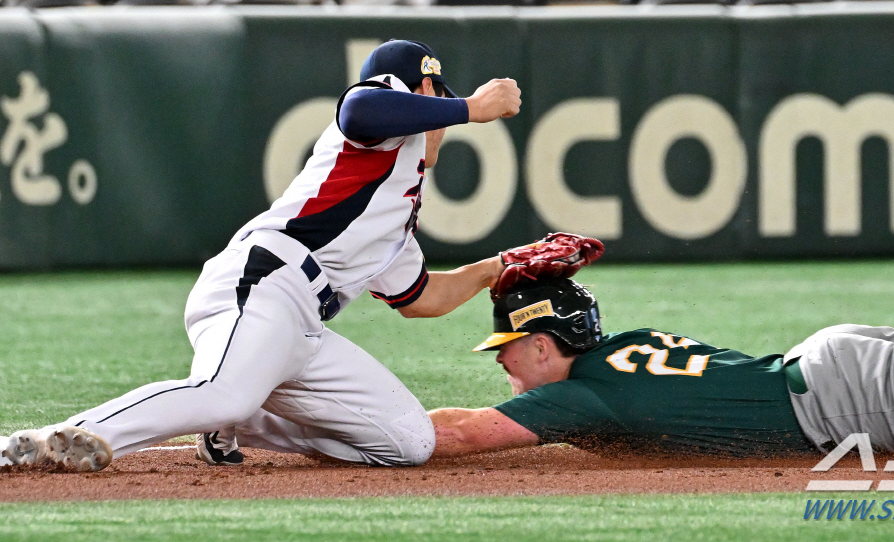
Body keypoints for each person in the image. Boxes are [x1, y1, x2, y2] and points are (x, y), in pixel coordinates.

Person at [428, 127, 894, 458]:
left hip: (834, 398)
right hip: (825, 367)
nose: (505, 367)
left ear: (541, 342)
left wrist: (322, 418)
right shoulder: (626, 350)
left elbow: (459, 433)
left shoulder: (572, 396)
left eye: (508, 350)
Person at [1, 40, 523, 472]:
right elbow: (359, 108)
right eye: (440, 104)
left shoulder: (396, 209)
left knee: (408, 443)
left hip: (302, 328)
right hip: (264, 281)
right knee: (225, 391)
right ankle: (55, 442)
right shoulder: (383, 127)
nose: (445, 127)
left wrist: (497, 268)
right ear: (425, 90)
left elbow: (421, 299)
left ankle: (242, 421)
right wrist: (472, 107)